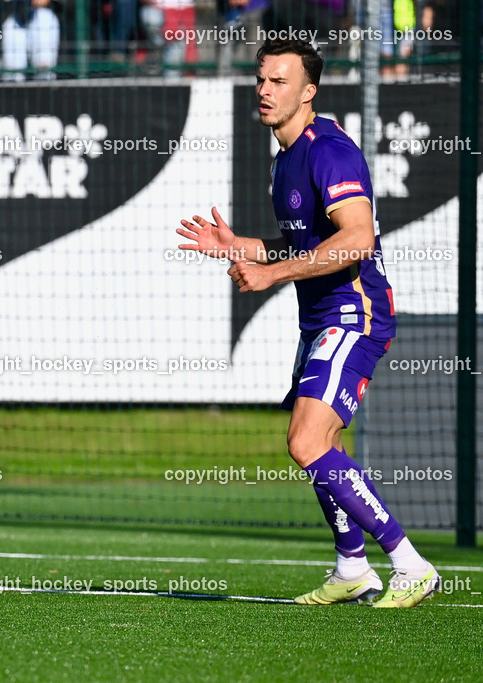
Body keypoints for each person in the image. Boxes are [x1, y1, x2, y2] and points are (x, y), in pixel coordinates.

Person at [177, 39, 439, 608]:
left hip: (354, 313)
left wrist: (272, 276)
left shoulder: (329, 151)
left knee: (305, 442)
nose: (266, 91)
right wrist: (239, 246)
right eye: (262, 79)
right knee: (318, 442)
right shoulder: (284, 156)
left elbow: (357, 239)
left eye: (280, 81)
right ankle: (351, 567)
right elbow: (303, 242)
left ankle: (410, 563)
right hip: (319, 318)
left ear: (309, 91)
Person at [1, 0, 61, 81]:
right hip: (16, 14)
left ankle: (45, 90)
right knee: (13, 72)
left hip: (40, 14)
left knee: (44, 68)